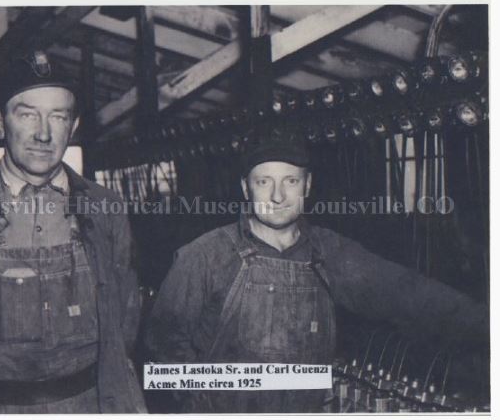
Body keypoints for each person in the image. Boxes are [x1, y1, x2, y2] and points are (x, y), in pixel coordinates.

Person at [145, 135, 488, 413]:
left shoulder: (329, 252)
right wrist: (203, 402)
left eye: (290, 181)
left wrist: (484, 324)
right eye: (264, 181)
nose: (277, 196)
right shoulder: (204, 255)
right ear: (245, 188)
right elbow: (164, 346)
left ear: (307, 187)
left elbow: (408, 294)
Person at [0, 50, 146, 414]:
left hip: (88, 405)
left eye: (58, 117)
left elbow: (125, 321)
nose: (43, 133)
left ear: (72, 128)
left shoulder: (107, 209)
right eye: (27, 114)